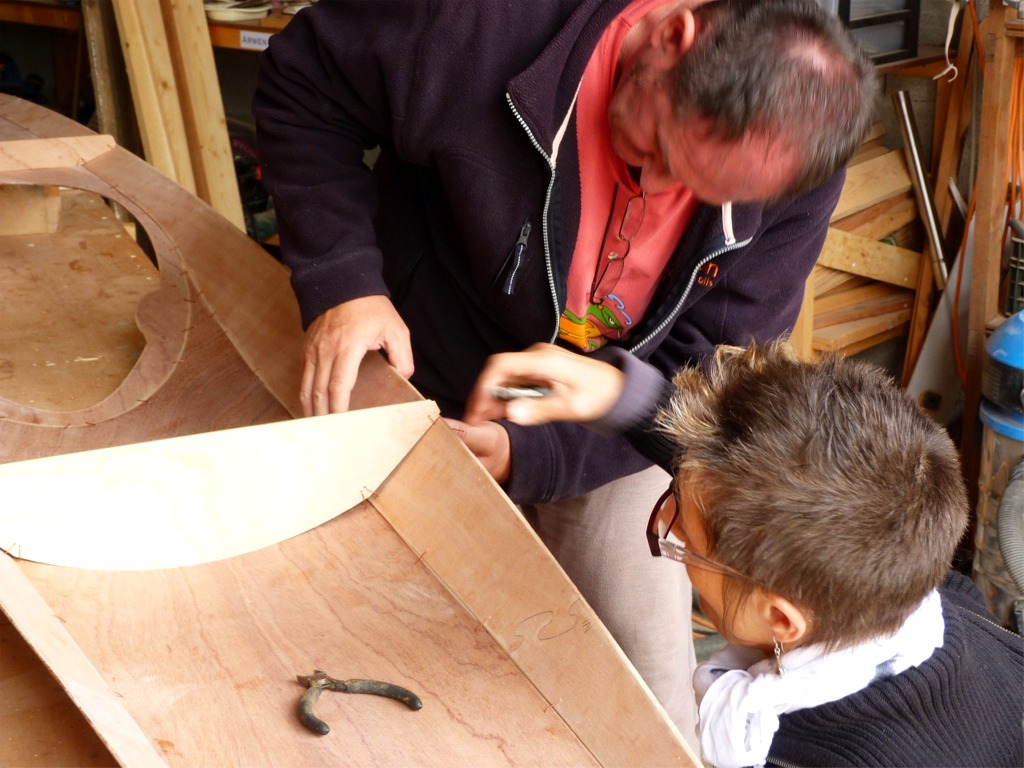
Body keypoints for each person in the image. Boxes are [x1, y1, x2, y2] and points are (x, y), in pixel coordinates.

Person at [252, 0, 878, 741]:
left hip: (622, 425)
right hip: (429, 363)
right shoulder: (471, 27)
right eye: (665, 157)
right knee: (384, 646)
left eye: (704, 192)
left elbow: (705, 378)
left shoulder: (791, 169)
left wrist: (542, 454)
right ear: (671, 38)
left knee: (646, 710)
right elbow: (303, 85)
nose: (659, 193)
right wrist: (344, 282)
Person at [464, 340, 1024, 767]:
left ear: (781, 618)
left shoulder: (826, 754)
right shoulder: (931, 595)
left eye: (684, 539)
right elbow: (729, 482)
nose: (674, 533)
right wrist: (622, 397)